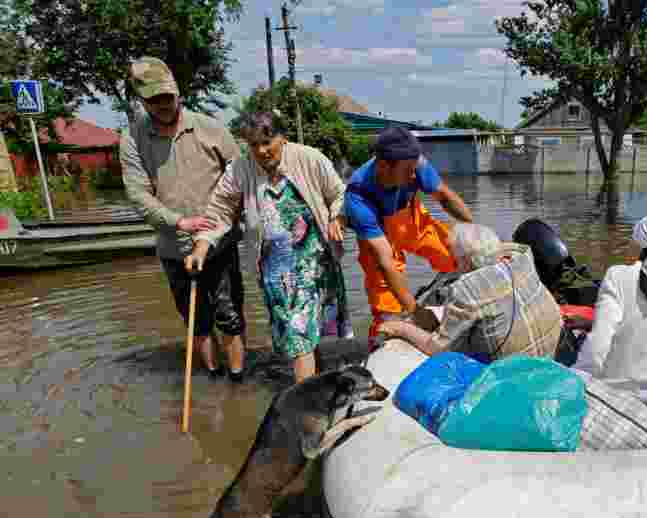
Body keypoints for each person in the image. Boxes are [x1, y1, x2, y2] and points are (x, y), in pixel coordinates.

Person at [185, 111, 348, 384]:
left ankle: (304, 408)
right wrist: (201, 247)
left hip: (314, 264)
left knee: (303, 333)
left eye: (267, 141)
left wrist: (336, 217)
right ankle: (319, 390)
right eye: (253, 145)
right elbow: (219, 210)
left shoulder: (309, 158)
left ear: (282, 137)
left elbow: (339, 193)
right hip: (275, 273)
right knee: (301, 337)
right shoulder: (240, 169)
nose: (261, 151)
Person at [120, 57, 247, 381]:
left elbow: (240, 180)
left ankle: (237, 379)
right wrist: (178, 221)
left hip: (219, 243)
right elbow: (138, 194)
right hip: (173, 246)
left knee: (228, 315)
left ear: (178, 93)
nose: (162, 105)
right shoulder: (132, 139)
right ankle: (213, 378)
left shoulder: (211, 129)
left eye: (167, 97)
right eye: (153, 100)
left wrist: (218, 224)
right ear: (142, 101)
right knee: (196, 320)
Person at [344, 127, 474, 340]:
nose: (415, 175)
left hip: (413, 223)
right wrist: (416, 311)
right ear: (384, 165)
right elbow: (386, 262)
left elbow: (444, 196)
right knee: (387, 308)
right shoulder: (358, 194)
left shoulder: (414, 162)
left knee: (462, 255)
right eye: (408, 171)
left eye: (415, 167)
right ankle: (380, 346)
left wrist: (475, 230)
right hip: (378, 239)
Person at [377, 223, 563, 360]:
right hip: (550, 353)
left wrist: (400, 328)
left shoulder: (466, 289)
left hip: (512, 372)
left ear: (466, 262)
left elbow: (437, 348)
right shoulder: (521, 257)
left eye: (456, 259)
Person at [573, 210, 647, 404]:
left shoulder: (617, 275)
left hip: (617, 392)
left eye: (633, 238)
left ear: (641, 242)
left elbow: (598, 347)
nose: (629, 243)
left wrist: (576, 380)